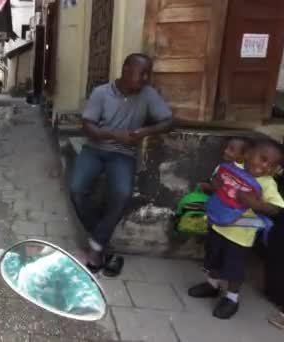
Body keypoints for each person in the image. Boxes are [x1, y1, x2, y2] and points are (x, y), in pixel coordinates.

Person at [69, 53, 173, 276]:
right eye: (141, 73)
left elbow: (168, 121)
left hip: (123, 154)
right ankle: (102, 241)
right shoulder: (101, 93)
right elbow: (88, 127)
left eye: (148, 74)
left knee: (122, 193)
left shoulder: (148, 94)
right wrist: (117, 136)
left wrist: (146, 131)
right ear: (126, 70)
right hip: (95, 149)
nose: (145, 78)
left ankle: (97, 247)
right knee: (77, 189)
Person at [188, 140, 284, 319]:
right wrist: (214, 186)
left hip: (240, 236)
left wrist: (256, 204)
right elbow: (216, 184)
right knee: (212, 259)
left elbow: (276, 208)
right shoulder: (232, 169)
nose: (265, 166)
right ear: (247, 155)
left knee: (234, 268)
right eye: (262, 159)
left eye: (271, 165)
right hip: (218, 226)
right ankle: (212, 285)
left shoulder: (267, 184)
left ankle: (232, 298)